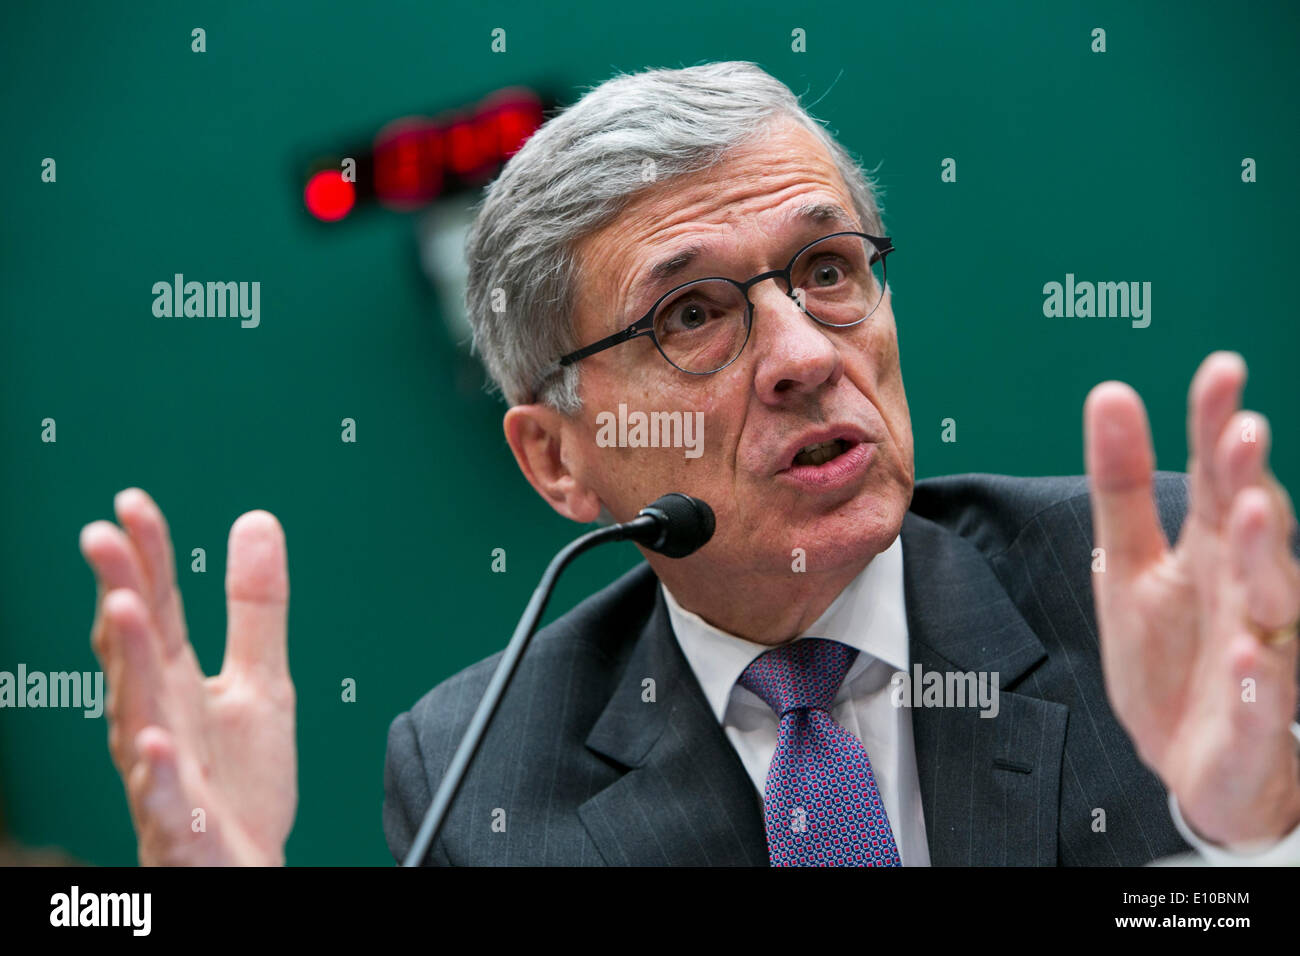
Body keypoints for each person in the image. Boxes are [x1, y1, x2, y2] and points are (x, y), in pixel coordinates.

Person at [79, 61, 1300, 867]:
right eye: (692, 317)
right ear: (556, 459)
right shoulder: (480, 773)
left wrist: (1253, 841)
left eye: (828, 270)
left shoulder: (1150, 600)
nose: (801, 354)